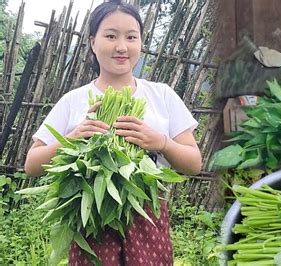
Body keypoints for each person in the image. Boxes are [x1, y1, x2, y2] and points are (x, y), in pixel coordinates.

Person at [24, 0, 202, 264]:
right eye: (110, 36)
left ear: (141, 42)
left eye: (131, 37)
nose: (122, 46)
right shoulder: (74, 100)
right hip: (93, 220)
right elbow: (31, 164)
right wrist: (72, 140)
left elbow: (194, 164)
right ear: (93, 43)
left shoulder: (161, 95)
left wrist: (161, 142)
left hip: (146, 216)